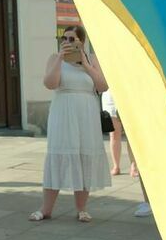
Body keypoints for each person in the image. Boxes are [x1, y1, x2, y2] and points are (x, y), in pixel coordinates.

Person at [30, 26, 110, 222]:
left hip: (86, 113)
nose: (67, 41)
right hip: (63, 112)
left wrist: (86, 65)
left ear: (81, 42)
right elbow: (50, 83)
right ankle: (46, 208)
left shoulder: (91, 59)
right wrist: (59, 59)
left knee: (84, 157)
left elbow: (103, 86)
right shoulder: (54, 58)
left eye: (72, 39)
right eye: (64, 38)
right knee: (58, 155)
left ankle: (82, 208)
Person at [101, 89, 137, 178]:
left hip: (128, 96)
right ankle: (116, 166)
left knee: (131, 135)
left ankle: (134, 166)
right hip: (110, 99)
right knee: (114, 135)